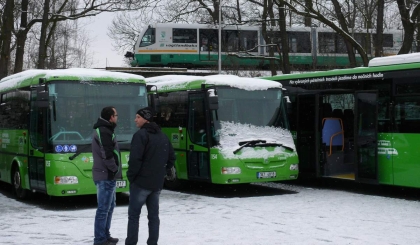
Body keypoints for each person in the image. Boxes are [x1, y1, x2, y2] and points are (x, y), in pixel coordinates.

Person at [125, 107, 175, 245]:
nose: (135, 120)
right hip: (157, 183)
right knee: (153, 216)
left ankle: (131, 243)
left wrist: (132, 177)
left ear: (145, 119)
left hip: (141, 183)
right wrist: (161, 172)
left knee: (134, 216)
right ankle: (152, 242)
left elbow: (135, 160)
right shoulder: (162, 136)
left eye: (138, 117)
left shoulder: (140, 135)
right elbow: (171, 158)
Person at [92, 106, 122, 245]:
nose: (117, 117)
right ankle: (100, 239)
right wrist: (115, 169)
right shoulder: (104, 131)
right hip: (105, 176)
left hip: (107, 176)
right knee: (104, 209)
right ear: (110, 117)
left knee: (109, 207)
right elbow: (107, 154)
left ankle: (105, 235)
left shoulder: (105, 129)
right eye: (115, 115)